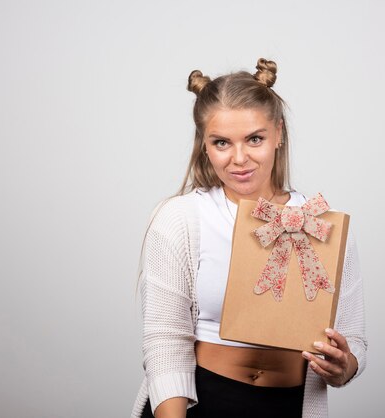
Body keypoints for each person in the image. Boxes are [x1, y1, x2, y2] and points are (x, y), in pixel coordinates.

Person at [131, 58, 368, 418]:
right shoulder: (181, 219)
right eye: (222, 142)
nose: (239, 159)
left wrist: (344, 366)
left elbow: (355, 343)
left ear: (279, 133)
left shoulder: (322, 225)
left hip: (287, 407)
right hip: (200, 402)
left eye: (254, 138)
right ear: (205, 145)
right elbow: (165, 344)